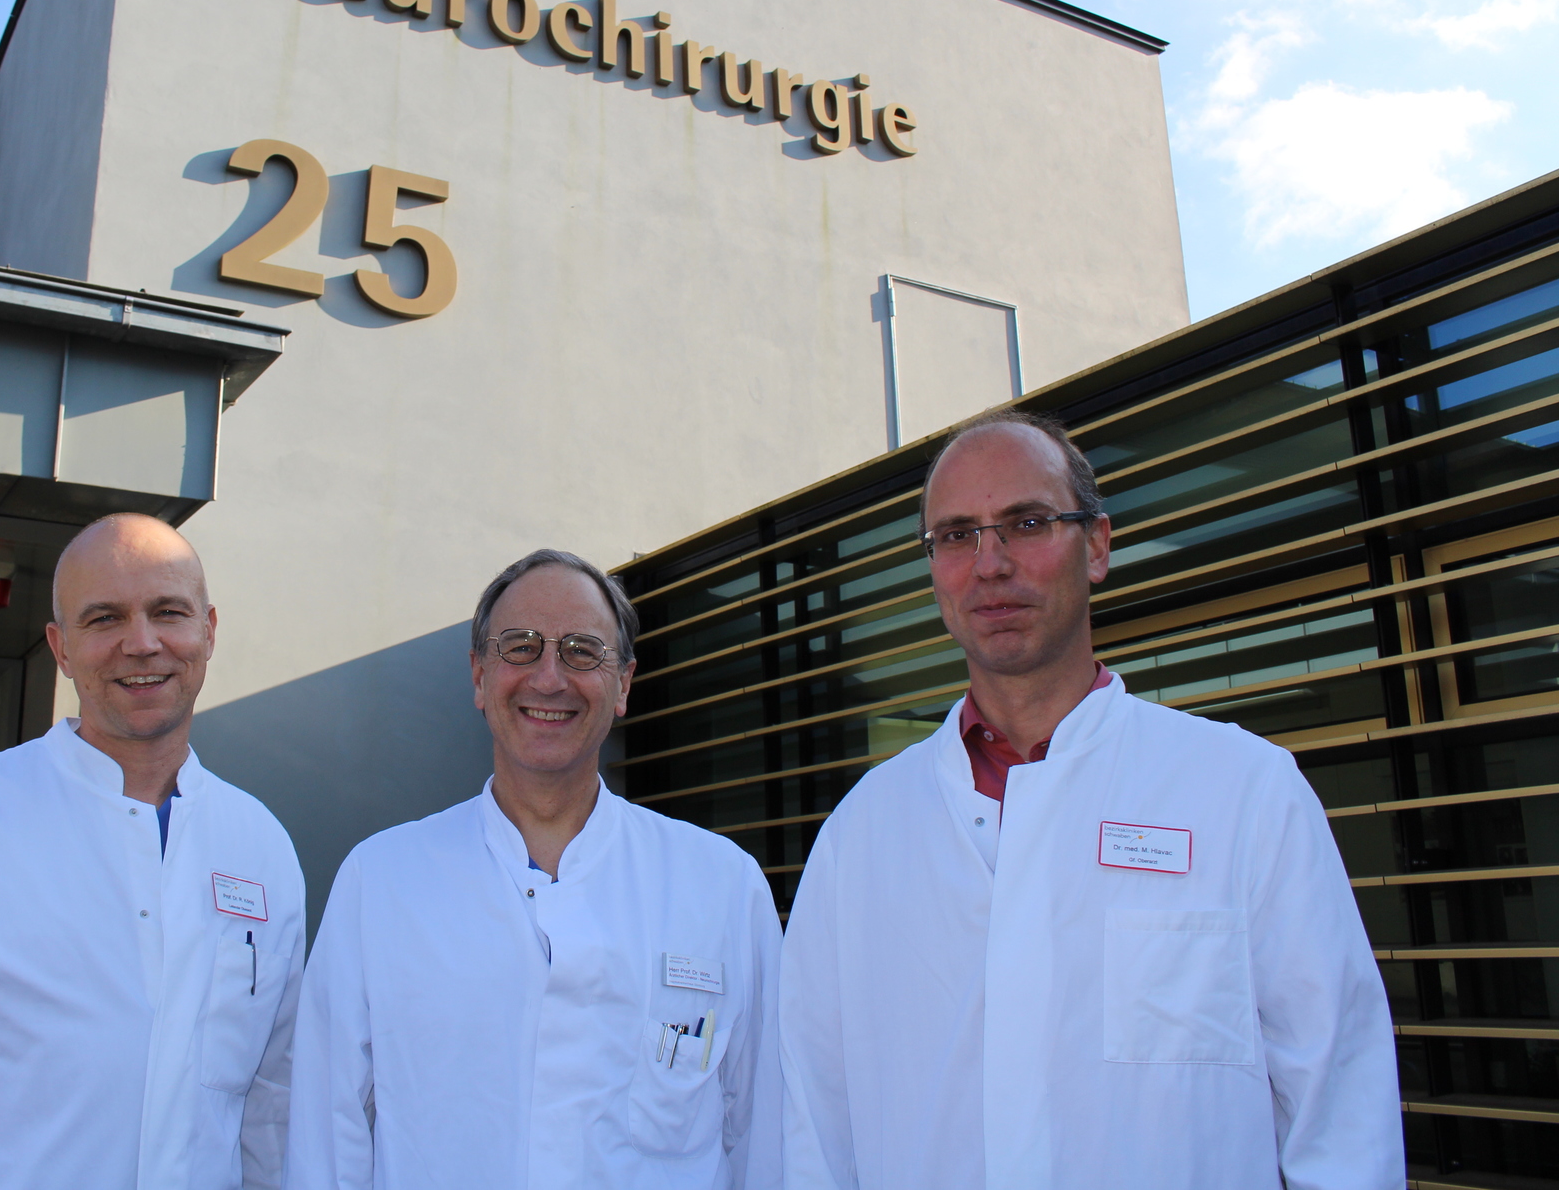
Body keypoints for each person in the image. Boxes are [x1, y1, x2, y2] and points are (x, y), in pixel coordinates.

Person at [779, 410, 1402, 1189]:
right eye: (956, 535)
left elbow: (1339, 1111)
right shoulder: (861, 832)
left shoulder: (1244, 790)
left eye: (1027, 522)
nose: (990, 562)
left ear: (1098, 544)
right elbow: (812, 1120)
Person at [0, 514, 304, 1190]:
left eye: (168, 611)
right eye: (104, 618)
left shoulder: (262, 844)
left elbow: (272, 1097)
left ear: (208, 630)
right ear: (61, 647)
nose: (142, 642)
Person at [288, 550, 781, 1190]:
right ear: (478, 676)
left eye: (582, 651)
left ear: (625, 684)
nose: (549, 678)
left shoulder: (722, 887)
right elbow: (327, 1139)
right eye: (520, 647)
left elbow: (766, 1138)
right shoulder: (380, 881)